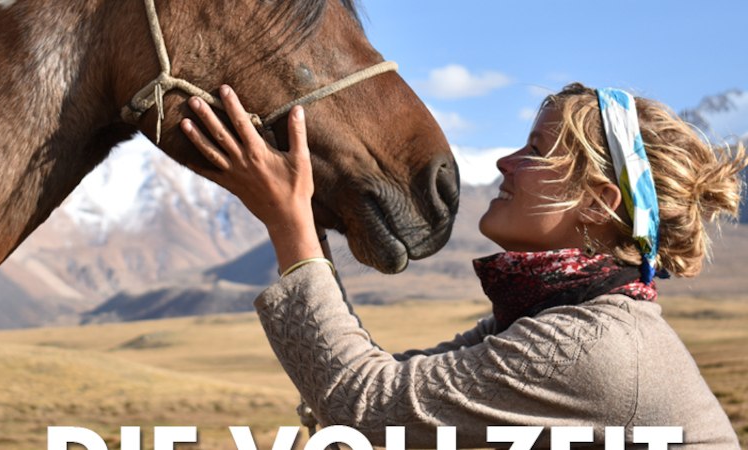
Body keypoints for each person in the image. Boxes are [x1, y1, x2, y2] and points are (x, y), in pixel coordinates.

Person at [180, 83, 745, 448]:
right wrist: (301, 215)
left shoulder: (588, 347)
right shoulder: (559, 317)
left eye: (536, 150)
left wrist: (289, 220)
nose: (504, 162)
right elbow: (385, 388)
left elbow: (361, 405)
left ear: (598, 203)